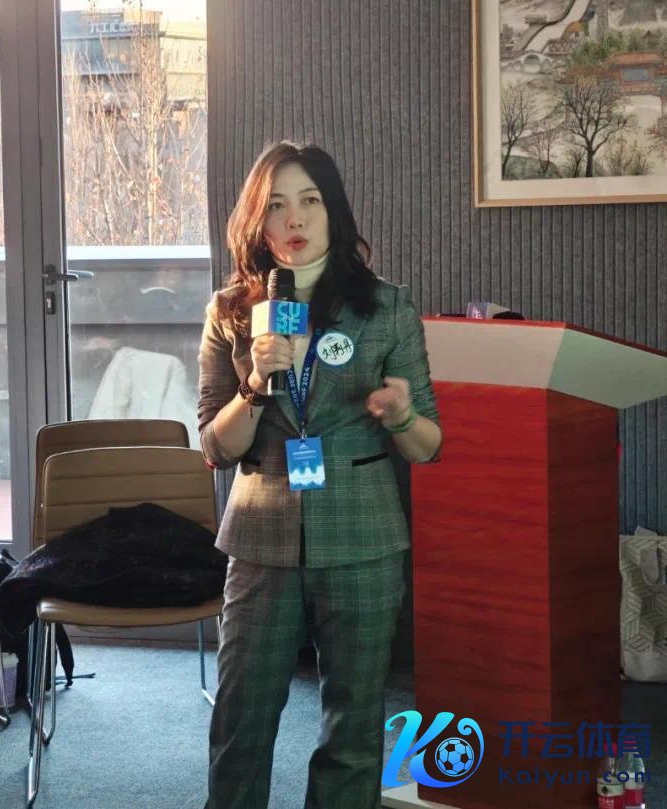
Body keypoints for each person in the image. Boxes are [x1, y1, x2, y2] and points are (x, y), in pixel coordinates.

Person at [198, 141, 442, 809]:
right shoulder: (230, 311)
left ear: (333, 210)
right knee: (241, 723)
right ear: (258, 220)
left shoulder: (386, 307)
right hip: (260, 538)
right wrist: (255, 384)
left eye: (309, 200)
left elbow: (428, 445)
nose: (294, 218)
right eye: (276, 205)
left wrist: (400, 415)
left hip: (363, 537)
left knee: (354, 729)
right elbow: (215, 447)